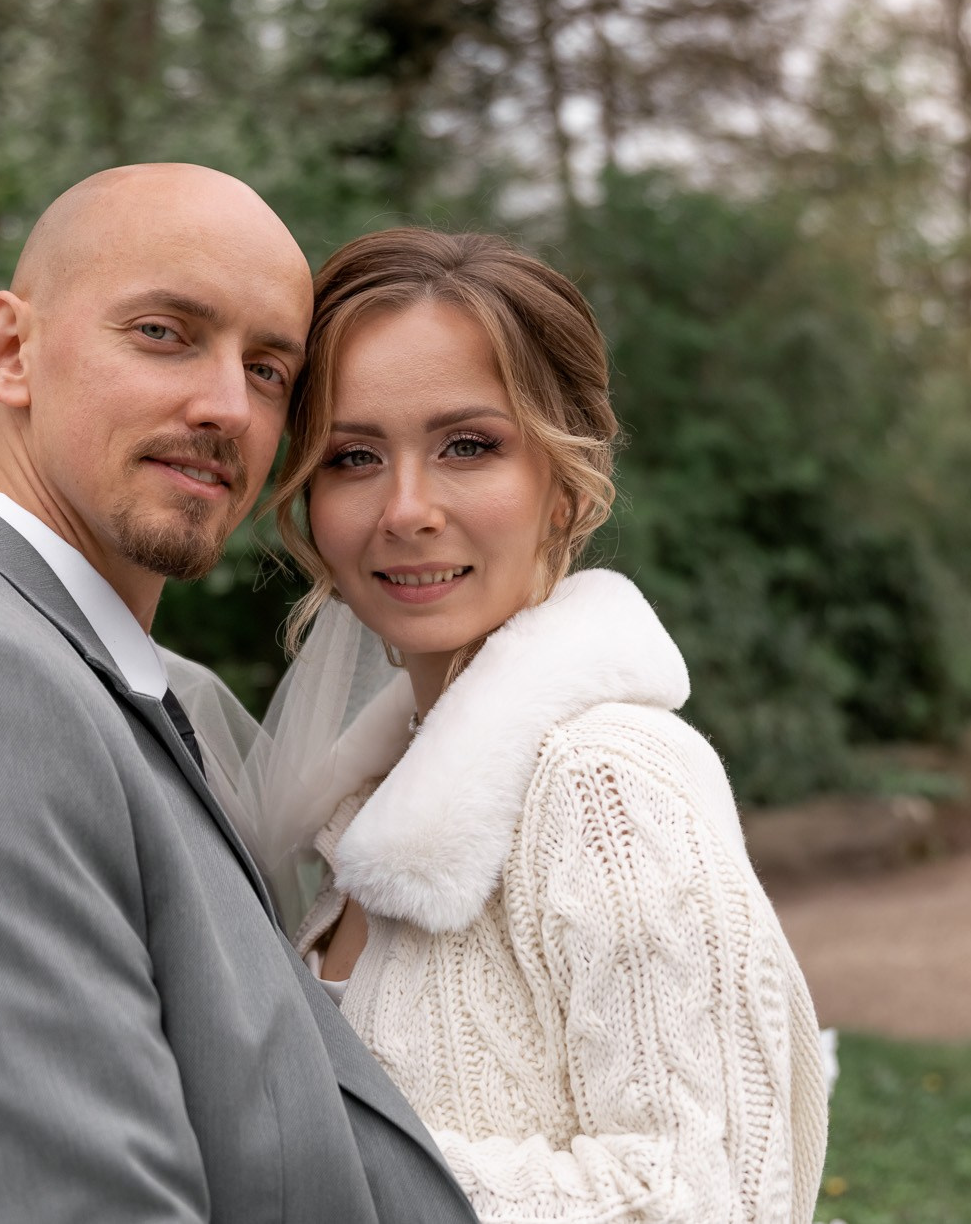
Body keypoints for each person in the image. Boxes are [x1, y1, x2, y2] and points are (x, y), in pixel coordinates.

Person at [0, 167, 480, 1223]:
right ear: (8, 351)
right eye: (165, 332)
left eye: (269, 370)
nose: (226, 405)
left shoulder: (187, 703)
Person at [247, 227, 830, 1222]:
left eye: (466, 445)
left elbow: (707, 1200)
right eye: (352, 456)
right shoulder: (362, 801)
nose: (406, 507)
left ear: (562, 481)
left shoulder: (603, 781)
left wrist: (304, 1168)